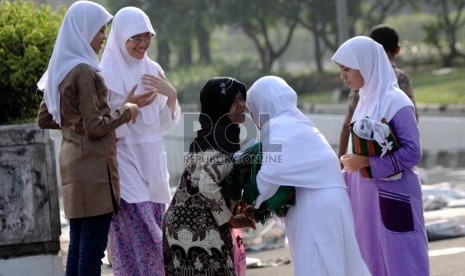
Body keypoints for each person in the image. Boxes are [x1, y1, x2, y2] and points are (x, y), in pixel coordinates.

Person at [36, 1, 155, 275]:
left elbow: (46, 117)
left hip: (73, 167)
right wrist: (126, 110)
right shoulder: (86, 72)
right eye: (100, 30)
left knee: (78, 246)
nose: (103, 38)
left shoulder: (61, 68)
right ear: (84, 30)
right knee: (91, 251)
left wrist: (73, 125)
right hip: (93, 171)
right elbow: (95, 126)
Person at [246, 76, 371, 276]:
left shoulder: (277, 125)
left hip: (314, 206)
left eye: (252, 109)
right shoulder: (298, 121)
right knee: (343, 264)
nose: (253, 117)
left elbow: (274, 170)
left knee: (317, 265)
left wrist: (251, 198)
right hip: (333, 201)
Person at [332, 36, 430, 276]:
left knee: (401, 259)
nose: (343, 76)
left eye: (347, 69)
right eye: (341, 70)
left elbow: (412, 152)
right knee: (371, 259)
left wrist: (366, 162)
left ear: (366, 64)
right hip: (365, 197)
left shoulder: (395, 101)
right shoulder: (364, 100)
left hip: (393, 194)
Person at [99, 6, 181, 275]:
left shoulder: (153, 69)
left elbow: (163, 124)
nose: (142, 44)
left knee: (156, 223)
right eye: (135, 37)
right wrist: (127, 105)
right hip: (124, 160)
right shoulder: (104, 74)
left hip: (153, 161)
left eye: (147, 36)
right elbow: (101, 125)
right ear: (121, 37)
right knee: (141, 228)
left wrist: (171, 96)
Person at [163, 77, 256, 276]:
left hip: (184, 226)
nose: (242, 105)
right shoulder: (219, 144)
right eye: (234, 101)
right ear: (219, 106)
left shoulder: (210, 136)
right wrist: (231, 220)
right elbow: (206, 186)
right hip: (197, 230)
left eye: (242, 98)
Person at [338, 24, 418, 158]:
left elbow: (347, 123)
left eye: (346, 69)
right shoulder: (362, 86)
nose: (343, 76)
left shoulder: (362, 78)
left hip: (391, 161)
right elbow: (414, 120)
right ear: (397, 50)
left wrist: (341, 160)